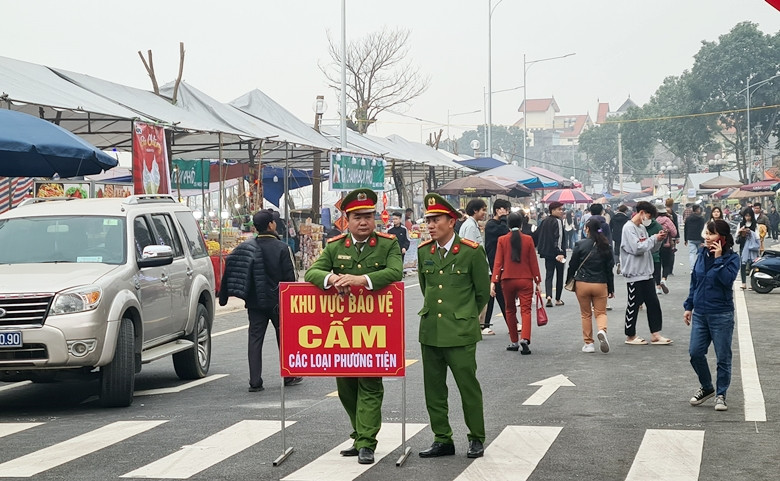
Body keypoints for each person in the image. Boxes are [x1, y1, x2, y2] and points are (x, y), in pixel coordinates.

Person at [304, 188, 403, 465]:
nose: (364, 222)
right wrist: (332, 279)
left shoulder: (387, 244)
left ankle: (367, 442)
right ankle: (359, 435)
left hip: (375, 328)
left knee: (370, 383)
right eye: (358, 217)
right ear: (346, 219)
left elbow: (395, 271)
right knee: (346, 384)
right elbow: (312, 272)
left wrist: (362, 280)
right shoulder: (335, 246)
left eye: (368, 216)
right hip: (343, 331)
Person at [417, 193, 489, 459]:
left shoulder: (471, 252)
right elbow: (427, 289)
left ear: (451, 221)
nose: (431, 225)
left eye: (436, 220)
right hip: (431, 332)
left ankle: (476, 438)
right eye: (428, 220)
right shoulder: (426, 251)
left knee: (467, 387)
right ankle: (442, 438)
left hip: (460, 332)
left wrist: (463, 315)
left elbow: (481, 293)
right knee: (434, 390)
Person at [219, 209, 303, 393]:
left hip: (255, 302)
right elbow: (291, 279)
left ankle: (255, 381)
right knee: (284, 338)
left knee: (255, 340)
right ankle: (289, 375)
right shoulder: (282, 248)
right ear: (271, 225)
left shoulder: (246, 247)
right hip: (277, 302)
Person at [684, 219, 740, 411]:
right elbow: (695, 282)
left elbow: (725, 281)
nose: (707, 237)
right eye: (706, 233)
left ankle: (721, 394)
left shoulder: (732, 259)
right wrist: (688, 306)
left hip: (721, 315)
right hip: (700, 313)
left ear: (722, 238)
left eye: (711, 234)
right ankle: (707, 387)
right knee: (695, 353)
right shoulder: (701, 254)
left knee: (723, 357)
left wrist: (718, 260)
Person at [620, 201, 672, 345]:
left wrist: (658, 240)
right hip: (634, 272)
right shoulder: (628, 228)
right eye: (648, 216)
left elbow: (650, 248)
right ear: (641, 212)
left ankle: (655, 333)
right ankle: (630, 335)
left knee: (653, 303)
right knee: (633, 303)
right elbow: (637, 248)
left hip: (646, 272)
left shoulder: (642, 227)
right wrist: (653, 238)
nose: (649, 220)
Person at [491, 212, 541, 354]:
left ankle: (513, 341)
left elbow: (498, 261)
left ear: (507, 224)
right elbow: (533, 261)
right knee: (525, 310)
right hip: (525, 279)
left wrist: (494, 280)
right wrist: (537, 280)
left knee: (510, 310)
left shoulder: (502, 240)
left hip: (507, 279)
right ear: (521, 224)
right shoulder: (528, 239)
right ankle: (525, 338)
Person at [567, 218, 615, 353]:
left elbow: (573, 265)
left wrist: (569, 280)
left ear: (587, 229)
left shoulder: (580, 244)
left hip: (582, 283)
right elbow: (609, 269)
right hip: (600, 283)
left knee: (586, 314)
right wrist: (611, 288)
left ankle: (588, 344)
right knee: (600, 313)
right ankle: (602, 330)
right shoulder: (606, 245)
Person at [484, 199, 512, 335]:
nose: (506, 212)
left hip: (499, 263)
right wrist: (503, 218)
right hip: (492, 263)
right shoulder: (491, 225)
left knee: (496, 295)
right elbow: (503, 231)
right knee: (497, 294)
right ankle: (486, 324)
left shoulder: (499, 223)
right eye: (505, 209)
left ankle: (486, 324)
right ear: (497, 210)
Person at [536, 201, 567, 307]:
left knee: (549, 274)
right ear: (552, 210)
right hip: (558, 253)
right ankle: (558, 299)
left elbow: (538, 235)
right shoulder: (558, 221)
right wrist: (560, 252)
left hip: (547, 253)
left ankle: (548, 296)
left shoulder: (544, 221)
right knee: (559, 275)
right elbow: (558, 238)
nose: (561, 211)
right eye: (559, 209)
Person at [735, 208, 760, 290]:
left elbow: (757, 236)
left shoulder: (755, 225)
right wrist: (741, 231)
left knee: (753, 265)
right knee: (743, 264)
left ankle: (753, 284)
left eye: (749, 216)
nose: (747, 218)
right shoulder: (741, 224)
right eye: (746, 216)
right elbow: (736, 236)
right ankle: (743, 283)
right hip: (743, 246)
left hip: (753, 248)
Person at [656, 209, 678, 294]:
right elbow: (674, 233)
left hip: (656, 246)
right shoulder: (668, 220)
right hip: (666, 245)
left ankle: (658, 287)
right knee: (666, 264)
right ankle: (663, 279)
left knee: (657, 266)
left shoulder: (655, 221)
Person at [609, 204, 631, 274]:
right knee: (625, 250)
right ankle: (624, 265)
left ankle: (617, 263)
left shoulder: (613, 217)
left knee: (616, 250)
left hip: (616, 236)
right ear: (625, 211)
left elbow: (610, 227)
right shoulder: (627, 219)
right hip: (625, 236)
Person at [684, 204, 706, 273]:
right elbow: (703, 229)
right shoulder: (701, 219)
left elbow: (686, 229)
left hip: (690, 238)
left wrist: (685, 239)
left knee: (692, 253)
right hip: (699, 238)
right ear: (697, 210)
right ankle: (699, 267)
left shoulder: (688, 218)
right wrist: (703, 240)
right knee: (700, 253)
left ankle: (692, 268)